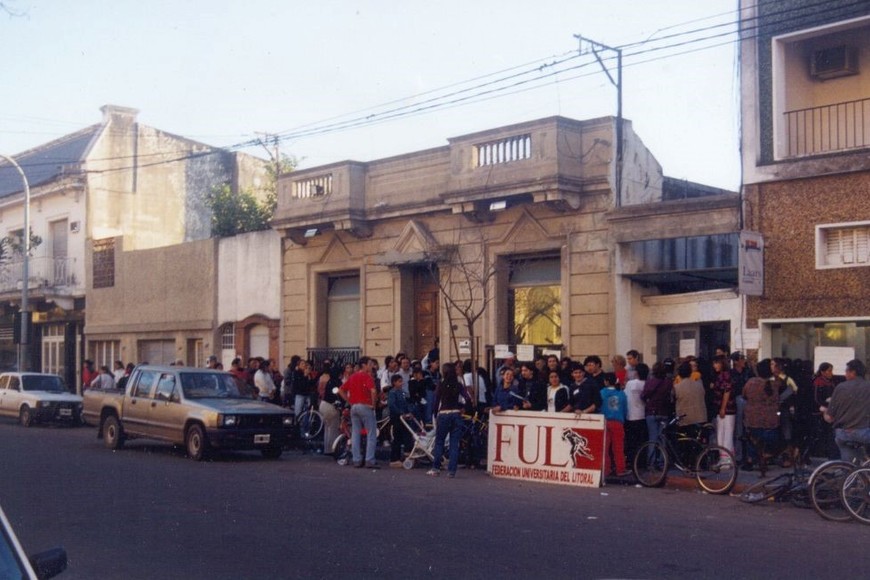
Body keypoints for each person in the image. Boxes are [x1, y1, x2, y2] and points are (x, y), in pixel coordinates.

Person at [823, 359, 870, 464]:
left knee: (849, 464)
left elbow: (830, 417)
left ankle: (849, 475)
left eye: (846, 371)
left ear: (852, 372)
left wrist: (824, 412)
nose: (845, 374)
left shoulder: (840, 387)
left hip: (843, 434)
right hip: (864, 433)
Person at [427, 362, 469, 478]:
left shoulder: (441, 384)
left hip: (444, 413)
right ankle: (451, 471)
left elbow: (436, 402)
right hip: (456, 413)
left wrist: (435, 414)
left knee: (439, 442)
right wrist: (463, 408)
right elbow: (467, 398)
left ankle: (436, 468)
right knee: (454, 443)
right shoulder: (459, 384)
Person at [339, 356, 379, 468]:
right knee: (371, 433)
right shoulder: (367, 377)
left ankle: (356, 459)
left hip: (354, 406)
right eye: (370, 364)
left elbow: (341, 390)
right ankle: (369, 460)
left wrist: (349, 401)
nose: (372, 366)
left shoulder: (353, 377)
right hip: (365, 406)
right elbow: (373, 391)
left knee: (355, 433)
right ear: (364, 365)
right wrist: (373, 404)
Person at [742, 359, 781, 475]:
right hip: (770, 421)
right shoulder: (774, 384)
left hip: (752, 419)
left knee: (752, 439)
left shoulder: (750, 383)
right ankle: (765, 457)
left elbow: (744, 395)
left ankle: (751, 460)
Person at [641, 362, 673, 447]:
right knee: (662, 438)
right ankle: (663, 459)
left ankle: (651, 459)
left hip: (651, 412)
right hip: (664, 412)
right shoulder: (669, 383)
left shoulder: (650, 382)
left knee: (652, 438)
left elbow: (643, 395)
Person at [710, 355, 735, 461]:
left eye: (717, 363)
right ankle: (725, 458)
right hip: (724, 408)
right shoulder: (721, 375)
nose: (714, 365)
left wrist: (723, 408)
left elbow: (727, 391)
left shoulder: (724, 375)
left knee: (725, 435)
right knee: (722, 434)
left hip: (727, 409)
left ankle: (726, 459)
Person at [624, 362, 649, 464]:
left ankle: (631, 461)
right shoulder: (647, 384)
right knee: (642, 441)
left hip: (631, 415)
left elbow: (625, 395)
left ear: (637, 373)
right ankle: (641, 461)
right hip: (643, 415)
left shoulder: (631, 383)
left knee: (631, 441)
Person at [812, 362, 838, 459]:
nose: (831, 373)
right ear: (823, 372)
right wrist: (826, 404)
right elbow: (817, 398)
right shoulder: (818, 382)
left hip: (830, 409)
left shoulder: (830, 382)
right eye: (829, 371)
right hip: (821, 411)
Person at [672, 361, 707, 431]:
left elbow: (672, 400)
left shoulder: (676, 387)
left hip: (685, 420)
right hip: (700, 417)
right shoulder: (699, 385)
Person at [387, 374, 414, 466]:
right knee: (397, 438)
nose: (401, 383)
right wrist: (400, 413)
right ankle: (394, 459)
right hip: (397, 418)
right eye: (399, 381)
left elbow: (406, 404)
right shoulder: (392, 393)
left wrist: (409, 412)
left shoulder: (402, 392)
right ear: (394, 383)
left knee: (407, 435)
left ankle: (408, 453)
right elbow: (392, 405)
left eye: (401, 381)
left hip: (404, 418)